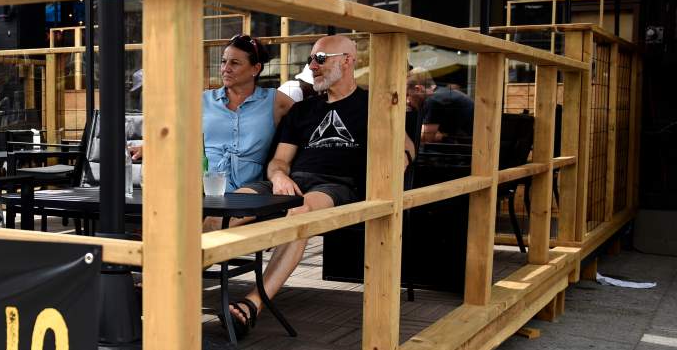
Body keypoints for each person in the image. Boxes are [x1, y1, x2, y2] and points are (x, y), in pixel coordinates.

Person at [226, 35, 414, 328]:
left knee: (300, 214)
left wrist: (400, 161)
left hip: (336, 186)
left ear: (347, 61)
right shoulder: (303, 110)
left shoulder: (373, 106)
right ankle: (166, 286)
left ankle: (253, 303)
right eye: (310, 59)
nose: (312, 66)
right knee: (222, 209)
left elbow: (406, 147)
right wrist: (278, 176)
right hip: (292, 182)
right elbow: (279, 161)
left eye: (321, 59)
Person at [130, 34, 314, 195]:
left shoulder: (275, 101)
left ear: (255, 69)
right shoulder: (203, 100)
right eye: (224, 61)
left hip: (249, 189)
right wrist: (151, 148)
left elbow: (309, 124)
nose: (225, 68)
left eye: (234, 63)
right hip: (200, 185)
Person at [406, 67, 474, 144]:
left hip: (468, 150)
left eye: (407, 95)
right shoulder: (440, 95)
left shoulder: (433, 100)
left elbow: (425, 138)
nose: (407, 101)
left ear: (418, 89)